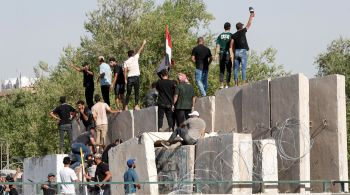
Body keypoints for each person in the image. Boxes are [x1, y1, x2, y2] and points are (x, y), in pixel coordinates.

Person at [230, 10, 255, 86]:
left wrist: (232, 53)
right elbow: (249, 23)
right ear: (241, 27)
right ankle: (244, 82)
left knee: (236, 69)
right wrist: (251, 15)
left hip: (236, 52)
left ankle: (236, 83)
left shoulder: (233, 35)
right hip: (242, 51)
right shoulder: (243, 31)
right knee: (243, 68)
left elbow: (231, 45)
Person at [124, 40, 147, 110]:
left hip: (129, 78)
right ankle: (136, 105)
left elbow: (125, 71)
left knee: (128, 92)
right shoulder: (135, 57)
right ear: (133, 54)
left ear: (128, 55)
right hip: (136, 78)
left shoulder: (126, 61)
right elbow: (140, 50)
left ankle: (126, 106)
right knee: (136, 92)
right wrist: (143, 43)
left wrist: (125, 79)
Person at [215, 22, 233, 89]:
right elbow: (232, 45)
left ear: (224, 27)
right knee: (228, 69)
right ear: (229, 27)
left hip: (221, 54)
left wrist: (216, 54)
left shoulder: (220, 35)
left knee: (222, 69)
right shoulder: (231, 35)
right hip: (228, 53)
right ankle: (227, 84)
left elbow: (217, 45)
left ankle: (221, 84)